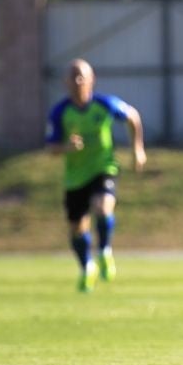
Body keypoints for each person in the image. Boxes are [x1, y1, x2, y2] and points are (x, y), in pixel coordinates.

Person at [46, 59, 146, 292]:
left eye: (82, 76)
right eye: (73, 76)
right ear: (66, 82)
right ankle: (87, 268)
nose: (78, 80)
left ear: (92, 79)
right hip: (75, 178)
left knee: (102, 208)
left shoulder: (104, 104)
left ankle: (104, 252)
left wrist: (137, 149)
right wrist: (66, 147)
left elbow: (132, 116)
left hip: (103, 168)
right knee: (77, 229)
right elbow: (50, 148)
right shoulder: (60, 112)